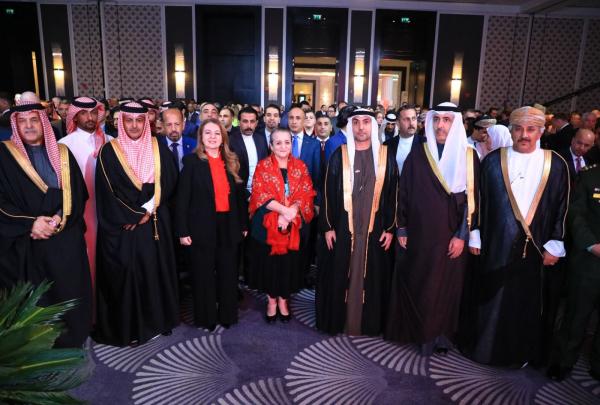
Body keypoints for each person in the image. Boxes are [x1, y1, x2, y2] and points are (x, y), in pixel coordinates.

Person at [468, 106, 569, 367]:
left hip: (535, 246)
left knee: (524, 301)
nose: (524, 134)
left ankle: (519, 355)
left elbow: (562, 207)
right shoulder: (493, 160)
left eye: (531, 129)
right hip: (496, 242)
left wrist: (556, 243)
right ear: (510, 131)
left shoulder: (555, 164)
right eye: (518, 129)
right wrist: (475, 232)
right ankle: (485, 351)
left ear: (541, 132)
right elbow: (479, 199)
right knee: (491, 295)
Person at [387, 102, 479, 354]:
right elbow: (404, 193)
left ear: (456, 123)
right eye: (436, 120)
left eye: (447, 120)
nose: (440, 125)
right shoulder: (419, 153)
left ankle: (439, 336)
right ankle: (418, 332)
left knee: (445, 287)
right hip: (420, 235)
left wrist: (461, 236)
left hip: (451, 236)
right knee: (421, 283)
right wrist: (402, 227)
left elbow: (473, 201)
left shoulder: (468, 156)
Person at [0, 100, 91, 348]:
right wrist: (31, 224)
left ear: (43, 122)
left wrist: (61, 215)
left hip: (64, 234)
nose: (29, 126)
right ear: (15, 125)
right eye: (22, 121)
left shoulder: (63, 153)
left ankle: (73, 339)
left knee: (69, 288)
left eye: (34, 120)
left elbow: (78, 191)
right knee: (36, 297)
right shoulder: (4, 155)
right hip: (27, 240)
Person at [94, 101, 179, 347]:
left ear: (146, 122)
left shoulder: (158, 146)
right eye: (129, 120)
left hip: (154, 222)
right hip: (125, 227)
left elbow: (170, 180)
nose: (134, 125)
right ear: (121, 122)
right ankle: (131, 326)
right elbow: (107, 192)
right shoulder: (109, 151)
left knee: (155, 271)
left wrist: (147, 209)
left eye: (139, 120)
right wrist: (133, 214)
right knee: (128, 274)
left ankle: (158, 321)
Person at [317, 109, 398, 336]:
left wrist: (390, 228)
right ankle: (340, 322)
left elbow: (394, 194)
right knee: (341, 272)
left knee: (372, 275)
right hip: (344, 228)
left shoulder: (385, 155)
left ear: (373, 125)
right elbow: (327, 193)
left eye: (365, 122)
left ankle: (368, 324)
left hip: (375, 229)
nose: (361, 127)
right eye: (356, 123)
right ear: (350, 126)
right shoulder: (339, 155)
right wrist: (328, 227)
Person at [176, 119, 247, 330]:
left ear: (223, 138)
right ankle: (206, 318)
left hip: (229, 225)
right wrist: (182, 230)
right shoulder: (191, 162)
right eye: (208, 133)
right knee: (203, 273)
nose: (213, 137)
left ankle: (227, 315)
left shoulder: (232, 161)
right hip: (201, 226)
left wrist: (243, 224)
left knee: (228, 272)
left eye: (217, 133)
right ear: (201, 137)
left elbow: (240, 198)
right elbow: (182, 199)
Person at [247, 128, 315, 323]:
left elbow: (306, 192)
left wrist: (292, 211)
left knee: (288, 265)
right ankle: (271, 301)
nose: (283, 146)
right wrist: (284, 211)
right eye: (278, 142)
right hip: (267, 224)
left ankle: (284, 300)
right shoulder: (263, 166)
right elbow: (259, 194)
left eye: (287, 142)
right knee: (270, 265)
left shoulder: (300, 166)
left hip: (292, 224)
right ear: (271, 145)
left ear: (291, 144)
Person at [548, 163, 600, 381]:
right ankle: (564, 360)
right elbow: (576, 214)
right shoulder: (590, 176)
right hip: (589, 260)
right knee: (577, 314)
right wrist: (592, 244)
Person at [59, 97, 112, 290]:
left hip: (110, 209)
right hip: (81, 210)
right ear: (75, 116)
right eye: (84, 113)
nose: (90, 117)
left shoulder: (111, 141)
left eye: (93, 112)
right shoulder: (64, 145)